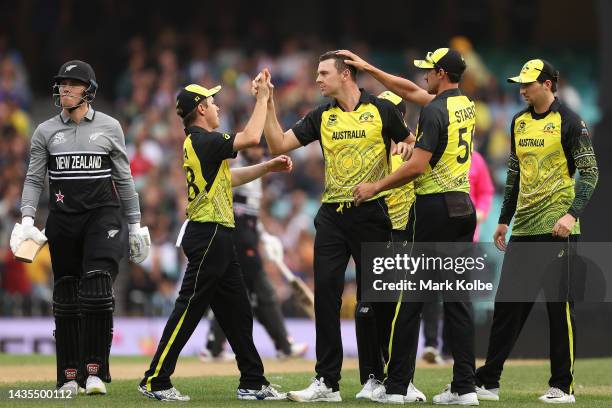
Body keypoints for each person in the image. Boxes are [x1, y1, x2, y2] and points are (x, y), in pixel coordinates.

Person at [256, 51, 412, 403]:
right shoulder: (321, 116)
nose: (317, 79)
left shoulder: (381, 110)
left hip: (372, 215)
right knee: (325, 297)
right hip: (331, 216)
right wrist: (266, 102)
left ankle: (377, 376)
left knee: (376, 301)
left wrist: (405, 144)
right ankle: (327, 382)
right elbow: (278, 143)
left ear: (345, 75)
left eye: (324, 72)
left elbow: (412, 144)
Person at [138, 73, 291, 402]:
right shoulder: (205, 140)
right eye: (212, 102)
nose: (217, 106)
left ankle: (253, 381)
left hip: (217, 236)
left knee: (238, 313)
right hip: (209, 235)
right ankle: (155, 379)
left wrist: (265, 168)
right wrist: (263, 97)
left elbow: (227, 178)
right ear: (201, 110)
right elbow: (251, 137)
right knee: (189, 310)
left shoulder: (200, 144)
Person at [9, 60, 150, 396]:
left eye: (72, 83)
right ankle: (69, 375)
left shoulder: (111, 127)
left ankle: (95, 372)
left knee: (99, 289)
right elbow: (33, 179)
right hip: (63, 219)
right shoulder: (44, 131)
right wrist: (27, 219)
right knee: (67, 297)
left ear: (89, 90)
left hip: (103, 216)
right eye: (61, 83)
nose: (65, 89)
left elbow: (124, 179)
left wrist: (135, 224)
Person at [347, 48, 479, 405]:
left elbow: (418, 166)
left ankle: (396, 387)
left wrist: (375, 186)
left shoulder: (434, 111)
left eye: (427, 71)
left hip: (434, 207)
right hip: (463, 208)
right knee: (457, 299)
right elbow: (408, 90)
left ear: (440, 73)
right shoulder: (463, 104)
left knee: (410, 299)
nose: (422, 76)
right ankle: (465, 388)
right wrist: (369, 68)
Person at [474, 59, 598, 404]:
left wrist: (572, 216)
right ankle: (489, 381)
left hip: (559, 230)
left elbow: (590, 174)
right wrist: (503, 219)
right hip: (525, 230)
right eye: (520, 83)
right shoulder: (518, 122)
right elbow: (514, 176)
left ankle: (563, 386)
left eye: (528, 83)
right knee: (507, 308)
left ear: (548, 84)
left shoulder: (570, 121)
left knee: (559, 310)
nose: (522, 89)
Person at [200, 143, 308, 361]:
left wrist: (263, 235)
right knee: (263, 294)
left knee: (234, 296)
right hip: (237, 242)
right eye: (254, 147)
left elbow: (252, 214)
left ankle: (214, 347)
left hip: (245, 240)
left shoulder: (258, 173)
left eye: (261, 148)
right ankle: (284, 346)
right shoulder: (237, 168)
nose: (258, 152)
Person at [354, 90, 426, 403]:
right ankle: (372, 376)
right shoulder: (367, 148)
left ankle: (401, 379)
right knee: (368, 309)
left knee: (396, 313)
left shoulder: (413, 148)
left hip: (403, 237)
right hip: (375, 235)